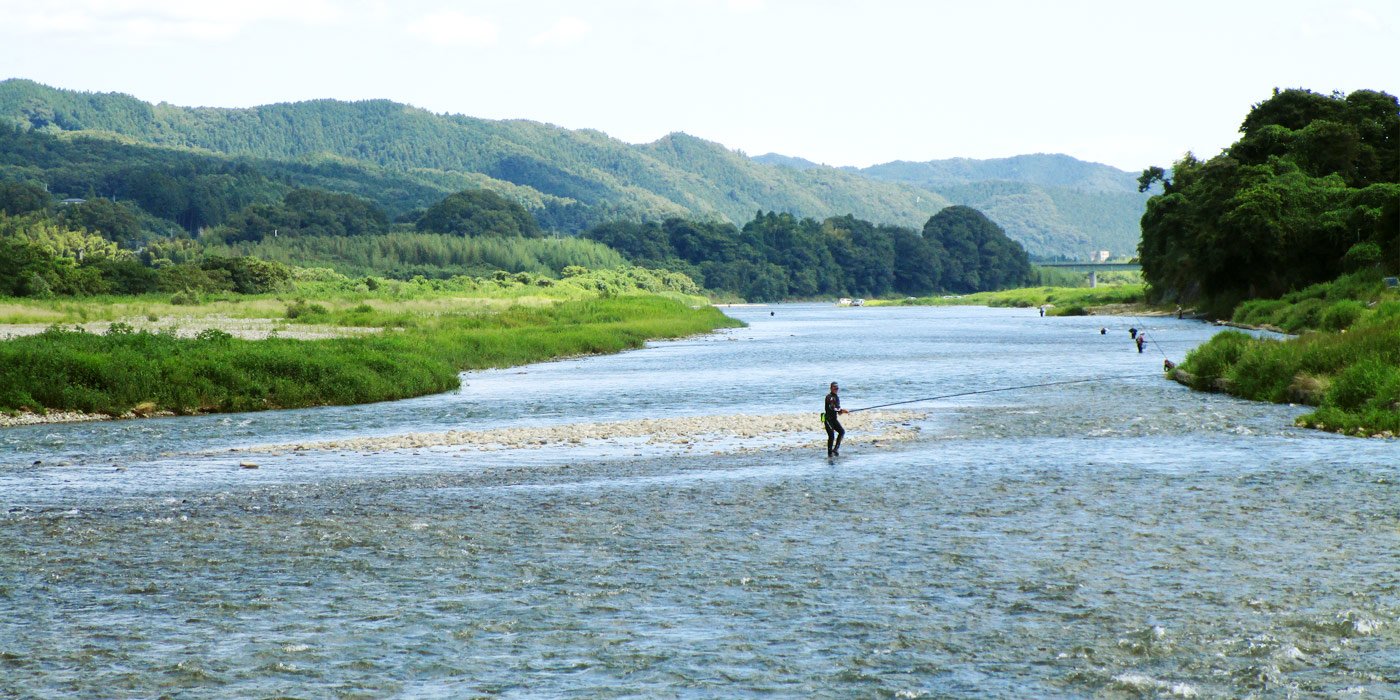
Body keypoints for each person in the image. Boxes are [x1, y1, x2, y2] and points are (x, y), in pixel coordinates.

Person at [824, 381, 848, 457]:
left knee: (842, 431)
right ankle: (829, 453)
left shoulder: (837, 398)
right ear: (831, 388)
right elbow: (832, 407)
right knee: (831, 436)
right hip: (828, 419)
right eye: (834, 387)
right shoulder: (829, 397)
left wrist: (841, 412)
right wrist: (841, 410)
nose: (836, 389)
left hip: (834, 419)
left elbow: (837, 409)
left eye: (837, 388)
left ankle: (835, 449)